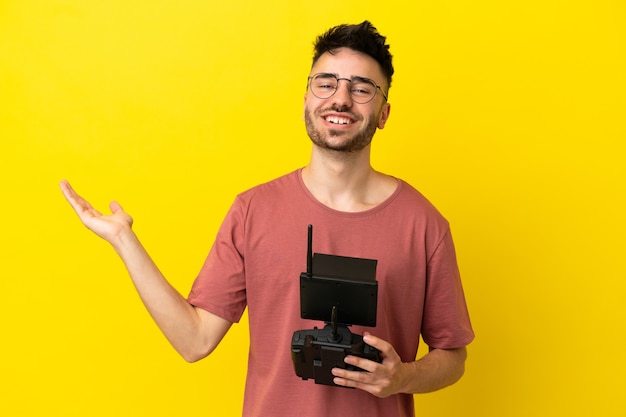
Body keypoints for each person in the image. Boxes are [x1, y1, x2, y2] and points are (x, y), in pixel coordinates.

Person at [60, 21, 474, 417]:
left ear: (383, 113)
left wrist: (403, 377)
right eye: (325, 83)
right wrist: (123, 241)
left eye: (362, 88)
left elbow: (453, 356)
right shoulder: (253, 210)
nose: (341, 98)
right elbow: (194, 340)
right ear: (307, 102)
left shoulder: (423, 224)